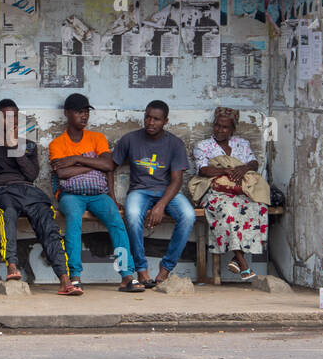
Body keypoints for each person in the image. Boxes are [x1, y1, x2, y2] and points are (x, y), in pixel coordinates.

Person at [0, 99, 79, 295]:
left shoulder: (30, 146)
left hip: (30, 192)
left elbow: (31, 175)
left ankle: (64, 279)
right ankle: (12, 267)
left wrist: (15, 146)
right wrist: (11, 178)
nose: (11, 121)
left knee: (48, 225)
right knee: (7, 214)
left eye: (14, 116)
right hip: (3, 193)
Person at [49, 93, 141, 292]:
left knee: (116, 222)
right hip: (70, 195)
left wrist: (75, 160)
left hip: (99, 194)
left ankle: (126, 275)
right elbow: (62, 173)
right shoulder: (57, 143)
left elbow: (108, 165)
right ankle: (75, 276)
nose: (84, 116)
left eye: (86, 112)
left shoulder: (97, 138)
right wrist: (92, 164)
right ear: (67, 113)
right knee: (74, 220)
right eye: (78, 112)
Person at [112, 100, 194, 288]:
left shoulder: (174, 144)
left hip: (167, 192)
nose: (150, 122)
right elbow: (110, 166)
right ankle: (141, 270)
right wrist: (112, 197)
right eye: (147, 117)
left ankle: (165, 269)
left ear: (165, 121)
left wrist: (161, 206)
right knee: (132, 216)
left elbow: (177, 180)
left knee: (188, 216)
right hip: (140, 192)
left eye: (156, 119)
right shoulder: (130, 139)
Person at [190, 106, 269, 282]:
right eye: (217, 125)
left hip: (240, 191)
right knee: (229, 210)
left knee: (260, 206)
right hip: (214, 191)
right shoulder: (203, 146)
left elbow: (253, 162)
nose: (219, 130)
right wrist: (226, 171)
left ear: (232, 129)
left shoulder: (242, 144)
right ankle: (242, 263)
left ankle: (236, 257)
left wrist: (244, 168)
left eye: (225, 127)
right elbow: (203, 170)